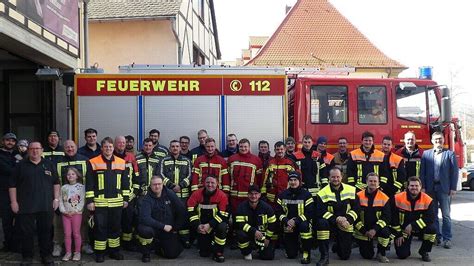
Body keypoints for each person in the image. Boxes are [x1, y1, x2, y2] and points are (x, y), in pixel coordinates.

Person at [9, 141, 60, 266]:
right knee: (26, 233)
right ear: (28, 150)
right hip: (26, 206)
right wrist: (14, 202)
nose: (35, 151)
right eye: (32, 148)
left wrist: (56, 199)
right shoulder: (20, 165)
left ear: (42, 150)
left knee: (46, 232)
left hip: (45, 205)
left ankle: (46, 256)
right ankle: (27, 257)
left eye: (37, 148)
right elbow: (12, 185)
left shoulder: (49, 164)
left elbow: (56, 183)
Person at [85, 137, 130, 263]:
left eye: (110, 147)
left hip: (117, 202)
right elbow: (89, 183)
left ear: (113, 148)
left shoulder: (121, 162)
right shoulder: (93, 161)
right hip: (100, 202)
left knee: (115, 227)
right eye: (106, 147)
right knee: (100, 228)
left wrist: (126, 199)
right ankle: (100, 253)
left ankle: (114, 251)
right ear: (102, 148)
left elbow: (125, 183)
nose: (108, 149)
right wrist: (90, 201)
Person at [420, 131, 458, 248]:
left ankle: (447, 239)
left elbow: (454, 173)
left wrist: (453, 188)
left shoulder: (450, 154)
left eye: (440, 139)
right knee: (433, 214)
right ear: (432, 141)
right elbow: (422, 172)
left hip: (444, 188)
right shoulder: (426, 154)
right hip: (430, 188)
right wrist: (423, 187)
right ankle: (437, 237)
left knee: (446, 215)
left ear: (443, 140)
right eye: (436, 139)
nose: (438, 141)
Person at [137, 175, 186, 262]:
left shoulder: (170, 194)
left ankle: (157, 246)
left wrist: (175, 228)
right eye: (154, 184)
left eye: (159, 184)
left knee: (172, 254)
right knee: (144, 230)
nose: (157, 186)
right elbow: (145, 218)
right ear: (150, 186)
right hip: (154, 228)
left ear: (163, 184)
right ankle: (146, 253)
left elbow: (181, 210)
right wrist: (163, 226)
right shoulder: (147, 198)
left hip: (168, 229)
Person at [55, 140, 91, 256]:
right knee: (59, 224)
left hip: (81, 199)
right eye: (67, 147)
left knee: (83, 224)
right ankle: (58, 245)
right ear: (63, 148)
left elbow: (89, 179)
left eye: (72, 146)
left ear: (76, 147)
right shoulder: (58, 162)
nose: (70, 149)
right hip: (64, 199)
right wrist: (57, 199)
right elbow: (55, 181)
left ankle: (84, 244)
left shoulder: (85, 160)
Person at [315, 167, 358, 265]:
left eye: (338, 177)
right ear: (329, 178)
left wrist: (348, 220)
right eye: (333, 177)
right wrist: (337, 219)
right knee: (321, 223)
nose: (335, 179)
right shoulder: (322, 192)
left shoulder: (351, 189)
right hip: (330, 222)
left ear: (342, 177)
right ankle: (324, 256)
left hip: (346, 223)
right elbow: (321, 211)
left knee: (344, 256)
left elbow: (356, 208)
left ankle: (338, 244)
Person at [156, 140, 192, 247]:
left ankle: (185, 239)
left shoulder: (187, 160)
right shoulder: (164, 160)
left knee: (183, 216)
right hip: (168, 194)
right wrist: (172, 186)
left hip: (183, 195)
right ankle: (170, 239)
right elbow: (160, 174)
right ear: (170, 148)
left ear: (180, 148)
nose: (175, 148)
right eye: (173, 146)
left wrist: (180, 185)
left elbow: (191, 175)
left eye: (177, 146)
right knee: (168, 216)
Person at [391, 176, 436, 262]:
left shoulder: (428, 199)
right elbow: (393, 218)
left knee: (432, 229)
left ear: (420, 187)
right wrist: (399, 234)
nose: (414, 188)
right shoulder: (397, 198)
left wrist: (413, 226)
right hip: (404, 230)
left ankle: (424, 251)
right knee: (402, 255)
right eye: (412, 186)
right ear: (407, 186)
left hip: (419, 228)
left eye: (416, 186)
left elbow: (430, 218)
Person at [188, 175, 229, 262]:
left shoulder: (222, 196)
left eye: (212, 183)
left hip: (215, 226)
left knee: (223, 226)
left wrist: (209, 225)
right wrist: (198, 225)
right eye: (207, 182)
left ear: (217, 183)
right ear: (204, 183)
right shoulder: (196, 194)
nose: (210, 185)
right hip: (201, 226)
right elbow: (190, 210)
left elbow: (223, 215)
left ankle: (219, 252)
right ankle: (208, 245)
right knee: (204, 254)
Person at [276, 171, 314, 264]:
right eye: (291, 180)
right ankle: (296, 246)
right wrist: (286, 220)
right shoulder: (282, 195)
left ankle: (306, 252)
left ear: (300, 181)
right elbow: (277, 212)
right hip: (288, 225)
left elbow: (310, 212)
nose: (293, 182)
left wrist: (296, 221)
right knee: (291, 255)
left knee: (305, 227)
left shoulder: (306, 195)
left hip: (302, 223)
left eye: (295, 180)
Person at [354, 172, 391, 263]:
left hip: (377, 229)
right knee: (367, 256)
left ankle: (381, 253)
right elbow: (355, 216)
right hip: (363, 230)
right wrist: (364, 231)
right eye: (370, 181)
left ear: (378, 183)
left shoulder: (384, 197)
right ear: (366, 182)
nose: (373, 183)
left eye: (375, 181)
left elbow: (386, 217)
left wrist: (375, 229)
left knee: (386, 232)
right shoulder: (358, 196)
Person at [234, 185, 277, 261]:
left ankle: (259, 249)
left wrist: (268, 238)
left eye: (256, 194)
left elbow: (273, 224)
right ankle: (246, 252)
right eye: (251, 194)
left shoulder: (267, 208)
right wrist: (254, 231)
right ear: (247, 195)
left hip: (262, 235)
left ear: (260, 195)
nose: (253, 196)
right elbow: (240, 224)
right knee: (240, 233)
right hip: (248, 233)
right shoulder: (241, 207)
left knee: (268, 256)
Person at [114, 136, 139, 250]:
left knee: (128, 220)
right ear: (115, 144)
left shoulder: (131, 157)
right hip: (113, 196)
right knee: (114, 221)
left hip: (129, 196)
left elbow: (136, 176)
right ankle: (115, 244)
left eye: (123, 143)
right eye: (119, 143)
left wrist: (134, 193)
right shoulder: (110, 157)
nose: (121, 144)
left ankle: (127, 243)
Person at [228, 138, 263, 213]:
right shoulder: (232, 159)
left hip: (250, 197)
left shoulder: (256, 160)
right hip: (234, 197)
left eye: (245, 147)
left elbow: (260, 179)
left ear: (249, 147)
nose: (243, 149)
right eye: (241, 147)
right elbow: (228, 177)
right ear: (238, 147)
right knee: (235, 218)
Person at [59, 168, 85, 262]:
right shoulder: (63, 187)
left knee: (76, 233)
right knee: (67, 234)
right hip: (65, 214)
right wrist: (63, 211)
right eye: (69, 174)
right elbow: (60, 200)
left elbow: (82, 201)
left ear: (77, 176)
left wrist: (76, 210)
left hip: (76, 214)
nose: (70, 176)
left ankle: (77, 252)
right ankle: (68, 252)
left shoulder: (81, 187)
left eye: (73, 174)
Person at [0, 133, 20, 252]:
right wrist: (16, 168)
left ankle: (16, 244)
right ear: (3, 141)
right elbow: (7, 170)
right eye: (8, 140)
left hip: (19, 191)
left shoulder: (18, 154)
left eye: (12, 141)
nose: (10, 143)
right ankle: (8, 244)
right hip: (3, 191)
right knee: (7, 220)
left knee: (19, 219)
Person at [261, 141, 297, 206]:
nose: (280, 151)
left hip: (286, 196)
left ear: (285, 149)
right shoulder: (269, 163)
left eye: (281, 149)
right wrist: (263, 194)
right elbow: (264, 179)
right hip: (271, 198)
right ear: (274, 150)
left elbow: (297, 179)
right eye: (277, 149)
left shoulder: (291, 163)